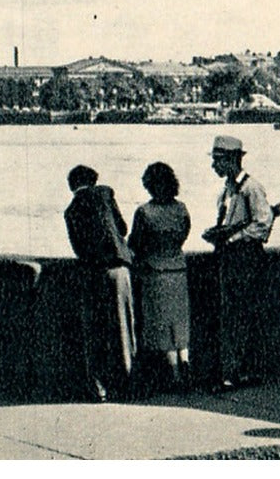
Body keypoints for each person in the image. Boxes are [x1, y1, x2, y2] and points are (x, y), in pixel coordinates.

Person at [201, 135, 273, 390]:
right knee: (230, 315)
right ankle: (234, 370)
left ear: (232, 160)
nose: (214, 166)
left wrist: (232, 237)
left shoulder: (251, 188)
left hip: (246, 259)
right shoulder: (227, 190)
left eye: (218, 160)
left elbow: (263, 224)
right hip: (230, 258)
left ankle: (236, 372)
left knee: (240, 315)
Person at [63, 164, 136, 402]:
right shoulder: (105, 194)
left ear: (73, 185)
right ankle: (127, 384)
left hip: (93, 273)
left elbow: (78, 248)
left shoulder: (71, 210)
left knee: (95, 330)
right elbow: (123, 229)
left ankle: (99, 387)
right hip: (119, 269)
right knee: (123, 330)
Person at [128, 161, 192, 391]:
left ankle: (174, 375)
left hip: (155, 273)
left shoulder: (144, 212)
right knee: (179, 323)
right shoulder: (181, 208)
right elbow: (184, 233)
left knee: (161, 324)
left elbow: (135, 242)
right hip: (179, 269)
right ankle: (185, 364)